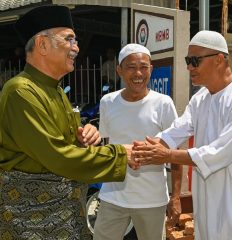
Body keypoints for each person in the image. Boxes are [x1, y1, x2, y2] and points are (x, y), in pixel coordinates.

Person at [0, 6, 138, 240]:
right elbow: (57, 155)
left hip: (65, 211)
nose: (76, 47)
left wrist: (86, 135)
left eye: (76, 40)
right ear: (42, 45)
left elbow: (65, 142)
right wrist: (119, 155)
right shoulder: (22, 91)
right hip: (32, 217)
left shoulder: (55, 90)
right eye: (69, 39)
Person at [133, 30, 232, 240]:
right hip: (206, 201)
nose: (189, 67)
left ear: (219, 59)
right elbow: (176, 130)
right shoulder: (201, 99)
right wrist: (143, 150)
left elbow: (220, 152)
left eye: (195, 61)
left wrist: (167, 155)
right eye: (188, 60)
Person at [93, 43, 182, 240]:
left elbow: (175, 152)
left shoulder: (163, 103)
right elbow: (107, 147)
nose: (138, 73)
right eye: (131, 67)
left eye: (143, 67)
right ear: (119, 70)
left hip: (151, 200)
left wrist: (175, 197)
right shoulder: (108, 102)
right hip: (113, 196)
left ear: (151, 69)